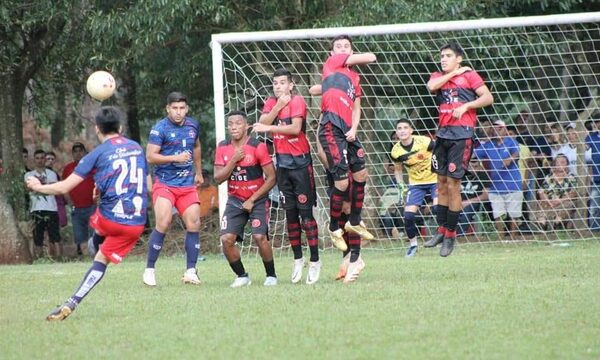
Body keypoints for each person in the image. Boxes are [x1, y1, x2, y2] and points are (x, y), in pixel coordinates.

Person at [26, 106, 148, 321]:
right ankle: (72, 301)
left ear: (97, 129)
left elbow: (63, 188)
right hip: (136, 223)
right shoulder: (137, 148)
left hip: (108, 219)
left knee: (98, 221)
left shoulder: (97, 154)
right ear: (120, 127)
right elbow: (146, 186)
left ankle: (95, 241)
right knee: (101, 259)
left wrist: (37, 187)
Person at [313, 35, 376, 281]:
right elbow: (370, 57)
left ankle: (354, 231)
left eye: (346, 46)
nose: (342, 49)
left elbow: (357, 106)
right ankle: (335, 231)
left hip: (346, 131)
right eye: (338, 46)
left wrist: (355, 129)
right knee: (341, 187)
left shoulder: (352, 78)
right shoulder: (333, 63)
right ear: (333, 52)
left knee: (360, 175)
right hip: (332, 129)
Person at [425, 42, 494, 256]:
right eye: (442, 56)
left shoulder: (470, 76)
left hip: (462, 135)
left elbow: (487, 97)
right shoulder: (438, 75)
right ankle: (441, 229)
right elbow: (431, 87)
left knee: (454, 185)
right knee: (441, 183)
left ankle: (450, 235)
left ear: (459, 58)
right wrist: (454, 73)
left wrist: (466, 106)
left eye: (448, 56)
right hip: (442, 134)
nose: (443, 59)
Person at [254, 67, 321, 284]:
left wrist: (270, 128)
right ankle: (298, 259)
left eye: (283, 82)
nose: (279, 86)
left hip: (301, 163)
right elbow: (264, 121)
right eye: (275, 83)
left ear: (290, 85)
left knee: (306, 216)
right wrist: (277, 108)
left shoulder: (298, 100)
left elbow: (294, 129)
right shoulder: (272, 102)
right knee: (290, 215)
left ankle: (315, 260)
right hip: (282, 164)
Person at [143, 92, 203, 286]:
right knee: (164, 221)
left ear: (187, 109)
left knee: (194, 222)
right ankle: (150, 269)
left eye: (182, 108)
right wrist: (174, 158)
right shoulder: (159, 129)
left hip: (186, 184)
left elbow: (196, 146)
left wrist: (199, 172)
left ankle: (191, 271)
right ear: (168, 108)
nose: (178, 112)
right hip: (165, 183)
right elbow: (151, 157)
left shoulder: (193, 125)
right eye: (174, 108)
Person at [214, 111, 277, 287]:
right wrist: (233, 161)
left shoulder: (258, 146)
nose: (233, 127)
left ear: (246, 126)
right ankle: (242, 276)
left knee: (259, 237)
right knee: (226, 239)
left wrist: (252, 199)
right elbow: (218, 178)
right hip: (235, 200)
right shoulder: (223, 147)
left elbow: (272, 177)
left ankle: (271, 275)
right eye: (231, 124)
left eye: (238, 123)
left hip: (257, 200)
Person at [390, 119, 438, 257]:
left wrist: (440, 169)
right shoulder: (396, 151)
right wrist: (401, 186)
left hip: (435, 179)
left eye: (405, 127)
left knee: (436, 208)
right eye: (399, 128)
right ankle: (413, 245)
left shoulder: (424, 141)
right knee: (408, 216)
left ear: (411, 130)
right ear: (397, 132)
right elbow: (398, 170)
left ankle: (445, 236)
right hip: (416, 184)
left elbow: (439, 152)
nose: (403, 130)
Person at [473, 120, 523, 240]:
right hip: (496, 186)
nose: (497, 130)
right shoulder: (488, 145)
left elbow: (516, 153)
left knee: (514, 215)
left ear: (505, 129)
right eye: (494, 128)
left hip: (513, 184)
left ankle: (513, 238)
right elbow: (473, 154)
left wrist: (509, 159)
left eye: (500, 128)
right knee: (498, 214)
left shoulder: (511, 141)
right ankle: (501, 238)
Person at [25, 149, 61, 259]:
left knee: (55, 237)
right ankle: (39, 259)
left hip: (51, 208)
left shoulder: (52, 174)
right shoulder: (28, 175)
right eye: (37, 158)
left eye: (42, 158)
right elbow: (29, 189)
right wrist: (45, 186)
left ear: (45, 159)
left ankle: (59, 259)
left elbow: (53, 188)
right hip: (36, 209)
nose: (40, 160)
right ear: (34, 160)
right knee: (37, 238)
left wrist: (38, 186)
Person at [62, 143, 96, 256]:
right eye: (75, 151)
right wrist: (69, 202)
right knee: (80, 237)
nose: (78, 153)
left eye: (80, 150)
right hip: (76, 208)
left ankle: (94, 259)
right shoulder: (68, 169)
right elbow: (64, 187)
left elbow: (99, 183)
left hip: (92, 206)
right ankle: (86, 259)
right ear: (72, 154)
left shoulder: (92, 167)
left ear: (85, 152)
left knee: (94, 235)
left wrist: (98, 200)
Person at [534, 154, 578, 230]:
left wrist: (559, 201)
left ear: (567, 165)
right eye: (557, 162)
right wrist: (548, 201)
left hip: (563, 202)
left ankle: (558, 223)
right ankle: (542, 225)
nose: (559, 165)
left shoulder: (571, 177)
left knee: (569, 204)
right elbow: (541, 191)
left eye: (562, 162)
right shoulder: (549, 177)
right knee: (541, 203)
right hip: (550, 202)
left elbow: (573, 193)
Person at [45, 151, 68, 230]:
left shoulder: (55, 174)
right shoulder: (40, 173)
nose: (50, 161)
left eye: (52, 159)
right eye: (48, 159)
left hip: (56, 203)